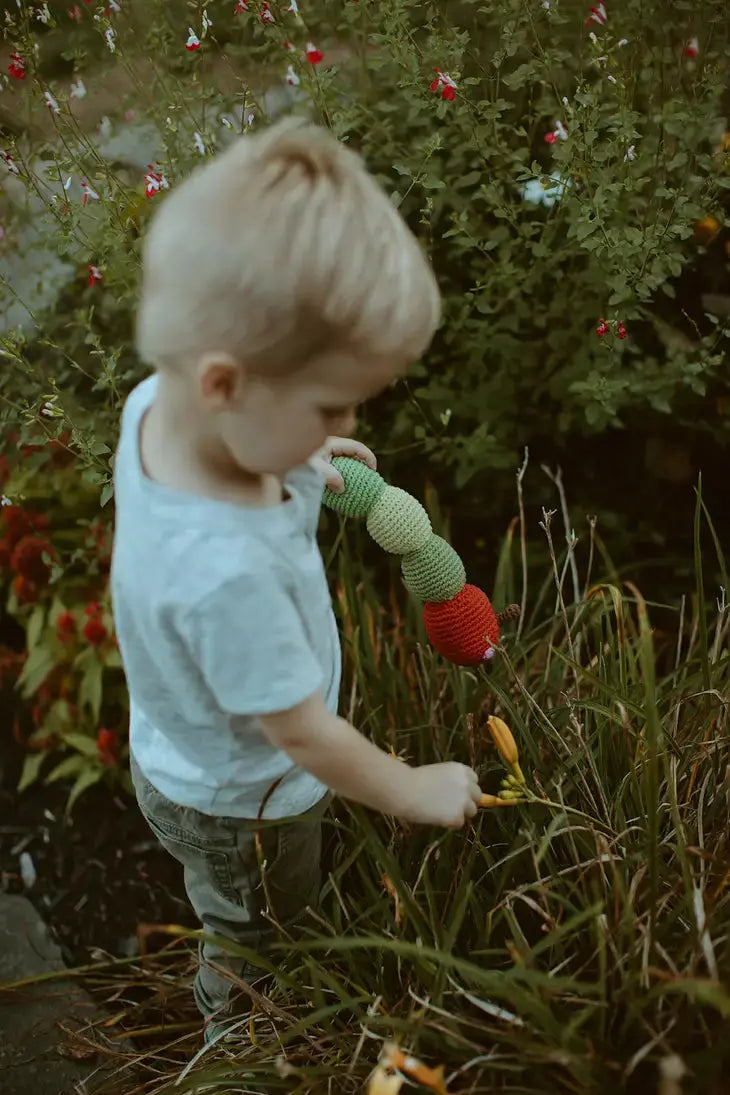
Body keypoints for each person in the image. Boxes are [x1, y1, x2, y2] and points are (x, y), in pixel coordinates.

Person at [111, 118, 483, 1045]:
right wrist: (409, 789)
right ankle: (241, 1044)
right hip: (252, 805)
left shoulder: (161, 402)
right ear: (226, 383)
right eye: (329, 403)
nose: (350, 419)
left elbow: (249, 427)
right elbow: (305, 734)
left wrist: (302, 439)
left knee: (248, 910)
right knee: (260, 934)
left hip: (183, 743)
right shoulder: (224, 577)